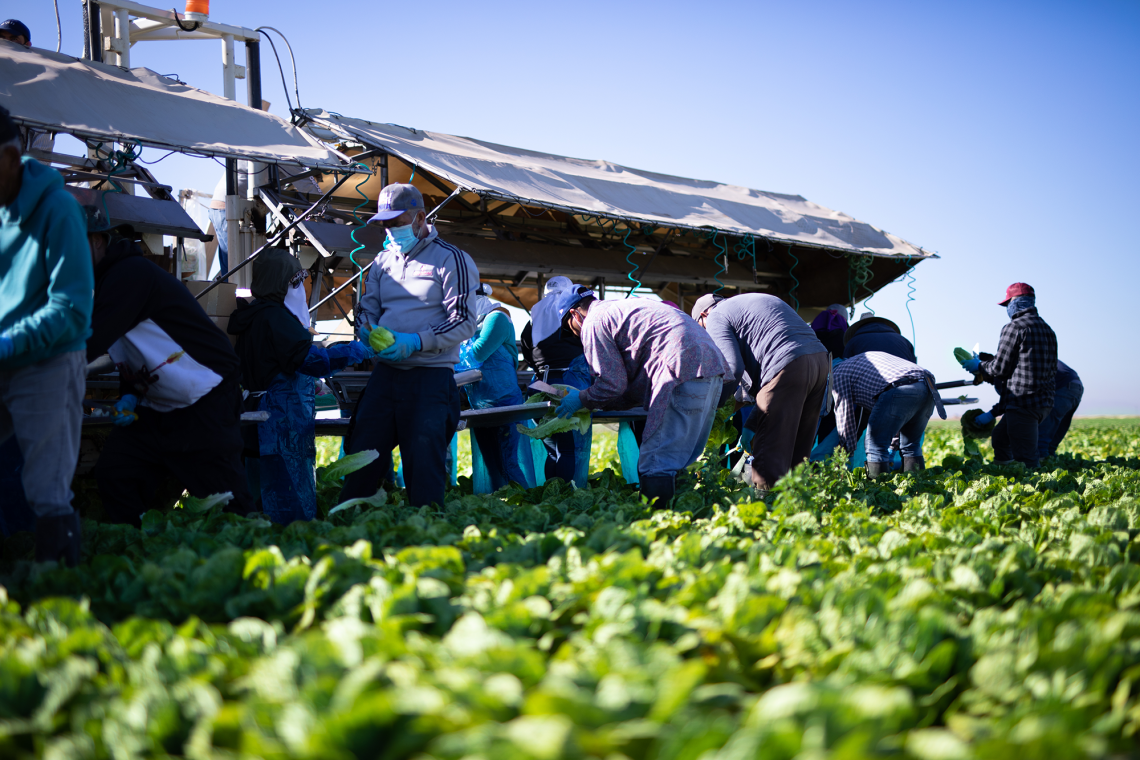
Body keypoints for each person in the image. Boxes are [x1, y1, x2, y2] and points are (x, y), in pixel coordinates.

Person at [85, 209, 254, 524]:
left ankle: (256, 555)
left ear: (96, 241)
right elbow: (132, 345)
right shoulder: (102, 281)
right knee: (116, 472)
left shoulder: (129, 273)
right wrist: (130, 393)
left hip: (205, 397)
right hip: (155, 406)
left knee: (226, 498)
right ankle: (136, 549)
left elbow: (91, 340)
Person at [339, 183, 480, 508]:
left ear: (420, 218)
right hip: (386, 375)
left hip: (429, 378)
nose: (390, 229)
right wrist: (367, 332)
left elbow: (463, 321)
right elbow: (366, 309)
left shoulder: (451, 258)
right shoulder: (381, 262)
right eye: (385, 224)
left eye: (397, 222)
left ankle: (426, 534)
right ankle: (350, 527)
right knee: (362, 453)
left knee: (423, 463)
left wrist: (414, 341)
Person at [0, 106, 92, 564]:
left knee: (47, 490)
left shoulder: (59, 209)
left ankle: (64, 601)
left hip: (48, 361)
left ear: (12, 159)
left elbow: (72, 310)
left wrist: (11, 342)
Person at [229, 250, 372, 523]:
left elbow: (273, 362)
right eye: (296, 284)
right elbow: (309, 360)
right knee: (287, 501)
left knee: (253, 500)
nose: (302, 291)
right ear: (281, 285)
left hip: (254, 417)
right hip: (280, 424)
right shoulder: (277, 319)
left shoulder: (252, 316)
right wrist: (356, 350)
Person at [555, 295, 727, 505]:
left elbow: (612, 384)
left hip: (679, 367)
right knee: (680, 458)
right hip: (711, 366)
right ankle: (685, 518)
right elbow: (630, 384)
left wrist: (582, 399)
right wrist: (604, 402)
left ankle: (657, 525)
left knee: (655, 462)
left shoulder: (593, 321)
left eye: (571, 328)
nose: (575, 334)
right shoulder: (622, 307)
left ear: (575, 314)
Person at [692, 293, 829, 492]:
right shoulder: (749, 304)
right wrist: (751, 424)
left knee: (769, 456)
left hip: (787, 364)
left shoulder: (716, 315)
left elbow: (732, 368)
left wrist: (714, 407)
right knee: (798, 454)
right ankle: (798, 508)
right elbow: (771, 390)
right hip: (820, 363)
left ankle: (766, 512)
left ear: (703, 315)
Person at [959, 282, 1057, 468]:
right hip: (1043, 403)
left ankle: (1031, 491)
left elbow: (1000, 369)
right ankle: (1004, 476)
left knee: (1026, 458)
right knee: (1000, 438)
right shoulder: (1047, 329)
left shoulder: (1014, 327)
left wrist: (979, 365)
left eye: (1008, 304)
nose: (1007, 309)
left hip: (1023, 403)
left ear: (1016, 302)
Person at [455, 285, 530, 491]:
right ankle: (503, 505)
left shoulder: (496, 318)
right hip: (480, 403)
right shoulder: (472, 325)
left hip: (503, 402)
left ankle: (525, 504)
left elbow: (477, 354)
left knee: (507, 462)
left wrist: (446, 362)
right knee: (491, 463)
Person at [520, 276, 593, 487]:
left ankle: (550, 494)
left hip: (539, 387)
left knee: (552, 450)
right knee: (568, 449)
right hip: (567, 386)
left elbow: (528, 355)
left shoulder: (532, 321)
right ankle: (563, 496)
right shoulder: (572, 318)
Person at [832, 351, 945, 476]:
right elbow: (893, 415)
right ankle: (919, 488)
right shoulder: (858, 364)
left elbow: (845, 414)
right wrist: (892, 447)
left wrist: (846, 452)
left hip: (899, 387)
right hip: (927, 385)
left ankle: (877, 490)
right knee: (911, 446)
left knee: (875, 446)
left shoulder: (837, 374)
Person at [1039, 360, 1082, 459]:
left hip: (1062, 387)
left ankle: (1043, 465)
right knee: (1055, 432)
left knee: (1042, 436)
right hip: (1075, 386)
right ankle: (1050, 460)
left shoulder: (1005, 363)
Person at [843, 313, 916, 362]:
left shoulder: (853, 342)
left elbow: (845, 368)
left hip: (870, 382)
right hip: (905, 381)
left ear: (860, 326)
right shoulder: (904, 341)